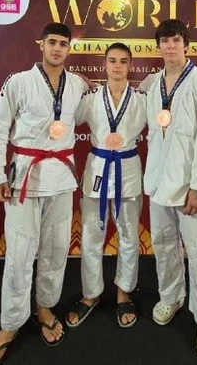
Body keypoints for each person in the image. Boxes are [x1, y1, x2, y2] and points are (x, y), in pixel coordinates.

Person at [0, 23, 88, 365]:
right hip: (25, 175)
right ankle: (10, 324)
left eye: (63, 44)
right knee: (20, 252)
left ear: (69, 49)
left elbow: (94, 110)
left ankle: (44, 307)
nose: (57, 48)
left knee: (56, 249)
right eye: (52, 42)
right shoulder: (18, 82)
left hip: (62, 177)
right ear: (41, 44)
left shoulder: (77, 85)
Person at [138, 19, 197, 355]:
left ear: (186, 44)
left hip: (190, 187)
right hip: (159, 183)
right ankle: (171, 297)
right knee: (163, 246)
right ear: (158, 46)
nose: (170, 46)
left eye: (175, 40)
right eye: (164, 41)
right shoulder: (152, 84)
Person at [66, 43, 147, 329]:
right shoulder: (90, 98)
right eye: (112, 60)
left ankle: (124, 290)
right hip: (98, 168)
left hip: (128, 168)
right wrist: (77, 83)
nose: (117, 66)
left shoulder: (142, 99)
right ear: (105, 64)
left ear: (130, 65)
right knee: (91, 235)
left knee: (129, 234)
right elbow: (69, 116)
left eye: (123, 61)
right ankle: (91, 293)